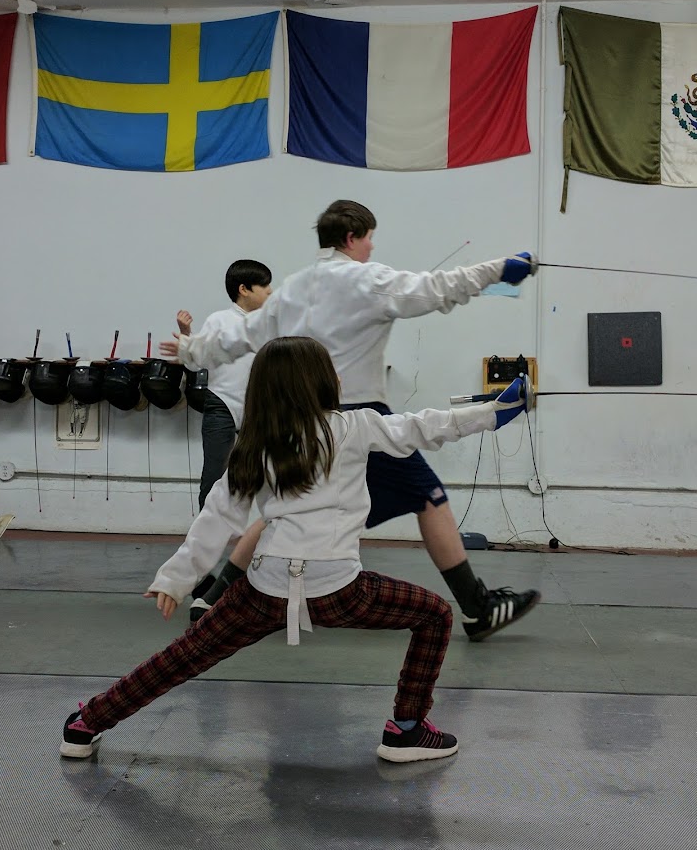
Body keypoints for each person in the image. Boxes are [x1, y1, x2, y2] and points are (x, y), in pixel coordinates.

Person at [61, 337, 529, 764]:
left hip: (263, 586)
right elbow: (426, 427)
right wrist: (494, 412)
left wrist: (176, 578)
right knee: (435, 616)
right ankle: (406, 730)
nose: (341, 376)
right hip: (341, 588)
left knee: (187, 654)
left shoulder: (256, 443)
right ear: (319, 382)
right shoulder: (355, 427)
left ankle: (86, 723)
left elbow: (218, 515)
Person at [161, 199, 539, 642]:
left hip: (299, 417)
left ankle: (216, 597)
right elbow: (438, 288)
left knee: (289, 503)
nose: (372, 246)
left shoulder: (294, 287)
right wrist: (500, 269)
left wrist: (192, 350)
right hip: (357, 418)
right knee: (430, 497)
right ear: (351, 238)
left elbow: (241, 335)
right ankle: (477, 607)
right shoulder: (368, 280)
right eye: (369, 238)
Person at [177, 259, 273, 511]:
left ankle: (270, 534)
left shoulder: (269, 324)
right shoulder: (218, 320)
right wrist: (187, 336)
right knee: (214, 476)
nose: (270, 291)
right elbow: (197, 365)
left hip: (261, 407)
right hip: (222, 404)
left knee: (272, 474)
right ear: (244, 289)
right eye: (264, 286)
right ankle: (204, 541)